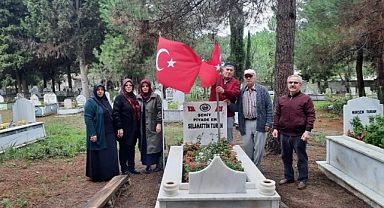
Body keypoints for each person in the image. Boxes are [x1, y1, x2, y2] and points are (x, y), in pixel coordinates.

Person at [272, 74, 316, 190]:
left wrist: (307, 131)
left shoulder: (306, 99)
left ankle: (302, 179)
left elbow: (311, 115)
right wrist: (275, 128)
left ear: (300, 85)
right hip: (284, 133)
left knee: (301, 157)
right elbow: (277, 115)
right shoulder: (282, 99)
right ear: (287, 84)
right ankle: (288, 176)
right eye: (290, 82)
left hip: (299, 134)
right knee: (286, 157)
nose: (292, 84)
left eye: (295, 83)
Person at [228, 69, 273, 169]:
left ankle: (256, 168)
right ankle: (250, 168)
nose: (248, 78)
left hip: (259, 122)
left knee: (258, 148)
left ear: (255, 77)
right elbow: (238, 108)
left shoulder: (262, 90)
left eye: (250, 76)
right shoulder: (241, 92)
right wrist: (230, 104)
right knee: (248, 146)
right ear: (244, 78)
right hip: (245, 123)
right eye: (246, 76)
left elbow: (269, 107)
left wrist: (269, 123)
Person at [84, 83, 119, 181]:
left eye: (102, 90)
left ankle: (110, 174)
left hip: (109, 132)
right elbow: (88, 119)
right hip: (99, 132)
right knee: (100, 154)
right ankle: (99, 175)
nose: (100, 91)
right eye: (98, 90)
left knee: (110, 154)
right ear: (95, 91)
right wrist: (92, 133)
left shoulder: (105, 101)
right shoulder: (90, 102)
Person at [113, 79, 141, 175]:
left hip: (134, 127)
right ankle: (124, 168)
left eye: (130, 85)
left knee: (132, 147)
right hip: (124, 128)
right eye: (126, 85)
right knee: (124, 148)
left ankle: (131, 167)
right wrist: (119, 128)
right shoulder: (120, 98)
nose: (128, 87)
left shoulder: (134, 98)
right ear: (123, 87)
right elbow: (115, 113)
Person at [209, 62, 240, 142]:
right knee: (213, 133)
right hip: (213, 112)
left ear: (233, 72)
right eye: (227, 69)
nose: (229, 72)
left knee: (228, 133)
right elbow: (207, 77)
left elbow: (235, 93)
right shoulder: (216, 78)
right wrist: (205, 66)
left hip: (228, 113)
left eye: (231, 70)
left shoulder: (236, 82)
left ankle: (228, 151)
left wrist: (224, 91)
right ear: (223, 70)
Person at [137, 79, 163, 174]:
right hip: (142, 126)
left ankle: (157, 164)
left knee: (155, 144)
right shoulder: (138, 98)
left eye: (146, 86)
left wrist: (159, 123)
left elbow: (160, 110)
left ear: (149, 87)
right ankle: (147, 165)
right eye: (143, 86)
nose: (145, 88)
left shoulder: (155, 97)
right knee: (144, 145)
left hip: (153, 124)